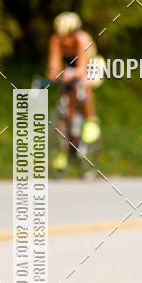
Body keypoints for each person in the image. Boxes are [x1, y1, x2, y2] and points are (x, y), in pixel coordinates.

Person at [46, 11, 101, 170]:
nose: (66, 40)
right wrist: (54, 74)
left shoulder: (82, 39)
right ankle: (66, 148)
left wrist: (70, 74)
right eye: (62, 36)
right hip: (71, 68)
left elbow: (83, 68)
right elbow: (54, 65)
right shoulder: (56, 40)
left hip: (92, 66)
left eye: (69, 35)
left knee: (83, 83)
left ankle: (91, 121)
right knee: (66, 103)